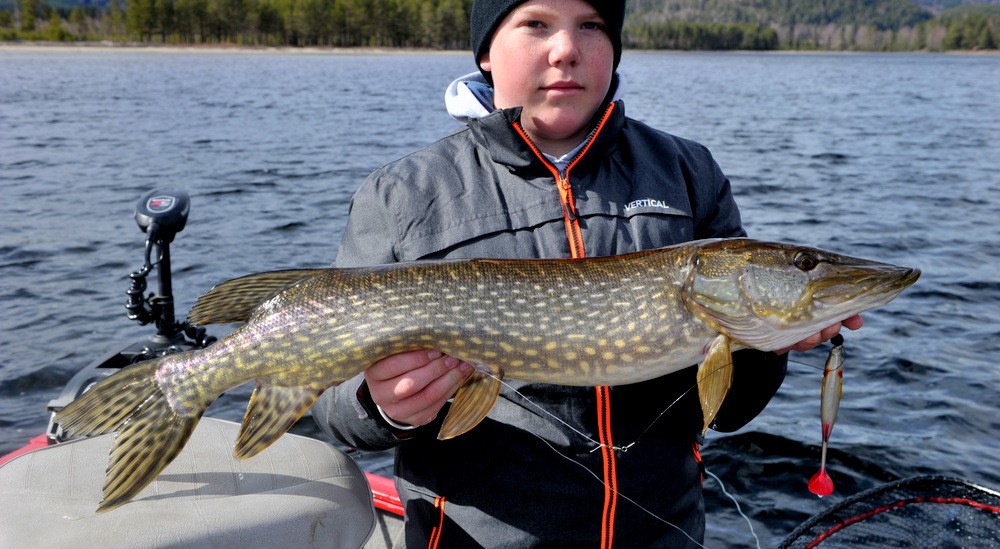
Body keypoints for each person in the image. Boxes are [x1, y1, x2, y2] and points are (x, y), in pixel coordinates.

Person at [313, 0, 861, 546]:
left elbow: (730, 412)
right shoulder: (403, 193)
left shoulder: (688, 173)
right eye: (536, 25)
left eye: (591, 26)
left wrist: (770, 343)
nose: (567, 50)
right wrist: (383, 405)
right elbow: (335, 406)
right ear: (485, 51)